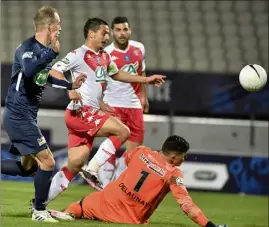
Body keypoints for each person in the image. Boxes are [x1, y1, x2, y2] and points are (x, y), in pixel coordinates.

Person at [45, 17, 165, 204]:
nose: (107, 37)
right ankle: (93, 169)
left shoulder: (104, 56)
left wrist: (146, 80)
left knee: (75, 164)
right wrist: (70, 88)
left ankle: (40, 203)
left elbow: (117, 74)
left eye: (108, 33)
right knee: (123, 130)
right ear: (91, 33)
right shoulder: (79, 54)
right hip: (81, 112)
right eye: (104, 32)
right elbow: (54, 70)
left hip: (88, 112)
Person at [1, 6, 86, 222]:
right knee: (47, 162)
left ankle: (40, 208)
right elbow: (30, 70)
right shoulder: (28, 49)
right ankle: (39, 210)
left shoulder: (41, 52)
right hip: (18, 115)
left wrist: (69, 85)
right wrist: (52, 53)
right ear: (49, 26)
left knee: (26, 167)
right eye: (58, 26)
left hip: (25, 116)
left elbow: (43, 76)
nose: (60, 30)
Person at [49, 135, 228, 227]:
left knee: (79, 205)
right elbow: (186, 204)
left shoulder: (141, 151)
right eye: (183, 156)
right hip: (129, 218)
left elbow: (127, 161)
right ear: (173, 157)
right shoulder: (174, 174)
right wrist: (209, 225)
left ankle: (68, 214)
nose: (184, 159)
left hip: (103, 203)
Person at [82, 16, 149, 188]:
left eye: (125, 29)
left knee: (133, 153)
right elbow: (99, 81)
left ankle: (114, 187)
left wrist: (144, 97)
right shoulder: (106, 53)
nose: (122, 33)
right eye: (118, 30)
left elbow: (140, 73)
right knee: (112, 147)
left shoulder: (139, 48)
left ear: (130, 30)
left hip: (134, 104)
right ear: (112, 32)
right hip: (113, 104)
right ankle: (105, 188)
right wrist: (100, 103)